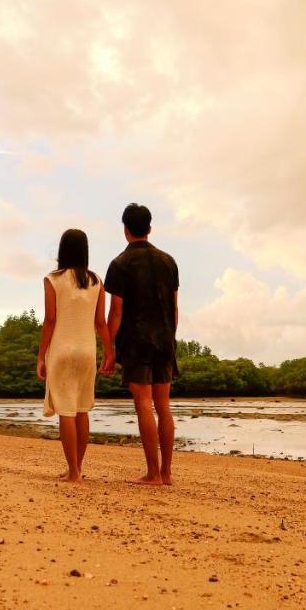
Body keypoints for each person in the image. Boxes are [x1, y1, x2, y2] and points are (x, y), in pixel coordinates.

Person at [101, 203, 179, 486]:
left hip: (136, 342)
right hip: (165, 339)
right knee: (164, 405)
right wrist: (170, 337)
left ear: (125, 229)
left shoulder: (119, 264)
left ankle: (153, 473)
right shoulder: (168, 261)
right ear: (149, 228)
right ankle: (167, 473)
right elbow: (174, 307)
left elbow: (116, 313)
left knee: (144, 404)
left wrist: (109, 349)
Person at [37, 228, 111, 483]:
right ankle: (76, 468)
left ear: (62, 250)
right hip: (87, 351)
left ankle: (74, 473)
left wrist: (40, 355)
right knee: (82, 409)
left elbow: (49, 319)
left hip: (62, 350)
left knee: (66, 410)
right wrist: (109, 352)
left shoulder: (53, 279)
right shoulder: (96, 281)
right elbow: (101, 323)